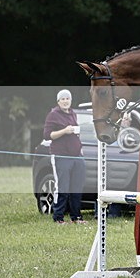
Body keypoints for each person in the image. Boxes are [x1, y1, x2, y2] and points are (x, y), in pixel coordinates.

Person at [43, 89, 86, 224]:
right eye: (63, 99)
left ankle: (76, 217)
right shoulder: (53, 115)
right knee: (62, 187)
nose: (65, 101)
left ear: (70, 100)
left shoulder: (73, 113)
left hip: (77, 156)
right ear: (58, 101)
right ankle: (58, 217)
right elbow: (48, 135)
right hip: (61, 156)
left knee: (76, 188)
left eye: (67, 99)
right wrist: (64, 131)